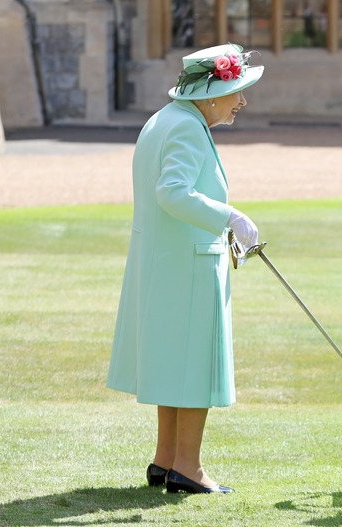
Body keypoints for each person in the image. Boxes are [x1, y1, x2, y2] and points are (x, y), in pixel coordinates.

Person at [106, 43, 264, 495]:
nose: (241, 102)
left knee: (175, 365)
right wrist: (228, 216)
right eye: (236, 91)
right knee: (194, 368)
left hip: (168, 264)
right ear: (211, 93)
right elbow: (171, 192)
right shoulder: (187, 128)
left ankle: (166, 460)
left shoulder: (165, 119)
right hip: (188, 267)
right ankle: (188, 469)